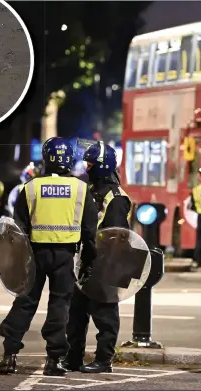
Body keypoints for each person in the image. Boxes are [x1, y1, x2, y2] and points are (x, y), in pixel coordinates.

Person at [0, 137, 98, 377]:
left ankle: (9, 356)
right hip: (65, 256)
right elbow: (90, 232)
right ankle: (54, 361)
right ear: (70, 159)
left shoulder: (30, 187)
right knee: (59, 306)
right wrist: (89, 261)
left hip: (34, 255)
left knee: (25, 303)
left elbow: (16, 228)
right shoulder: (81, 188)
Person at [64, 142, 132, 374]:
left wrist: (102, 264)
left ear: (102, 166)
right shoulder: (89, 191)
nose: (86, 168)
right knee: (76, 313)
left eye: (90, 164)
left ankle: (104, 360)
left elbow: (115, 236)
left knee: (105, 315)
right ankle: (72, 358)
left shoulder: (116, 198)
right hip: (84, 261)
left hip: (106, 264)